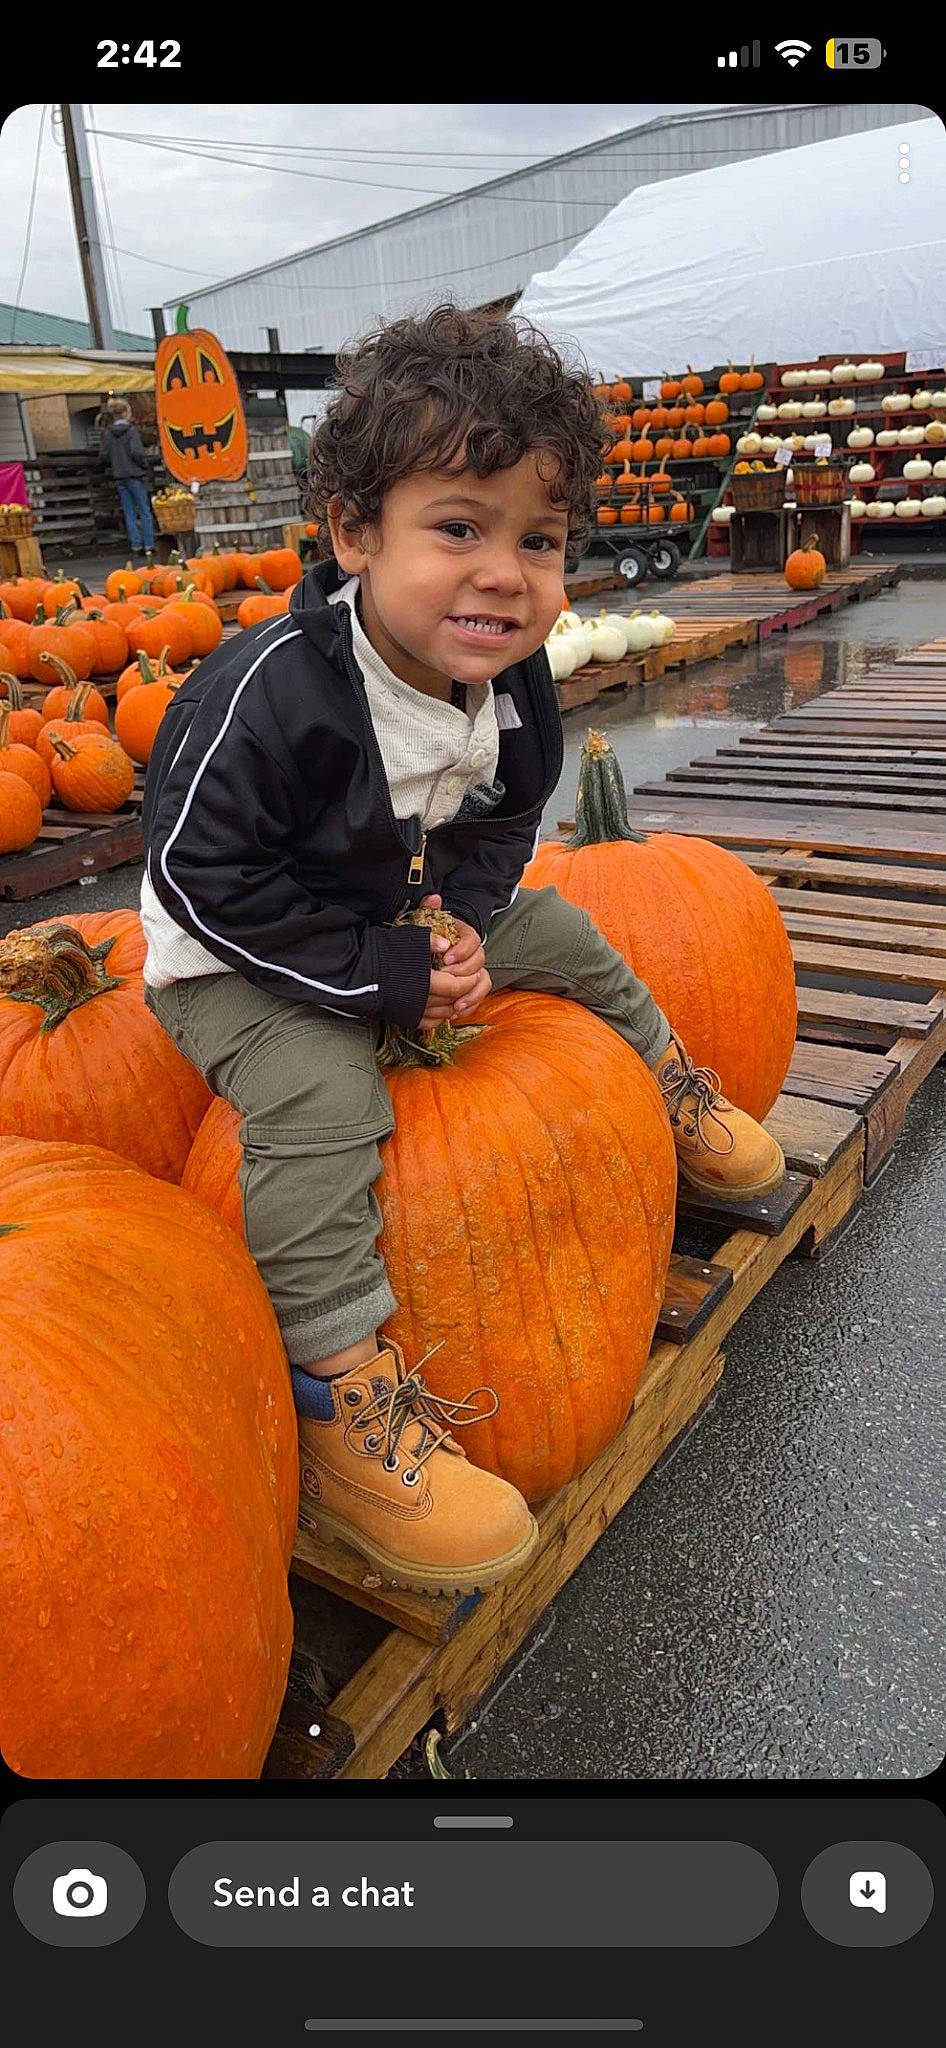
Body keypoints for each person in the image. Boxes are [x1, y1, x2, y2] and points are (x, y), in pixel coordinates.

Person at [140, 305, 785, 1598]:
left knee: (571, 932)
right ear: (352, 533)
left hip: (395, 916)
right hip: (240, 958)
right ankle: (341, 1397)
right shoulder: (272, 691)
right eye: (457, 529)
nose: (504, 573)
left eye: (536, 540)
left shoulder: (510, 672)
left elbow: (499, 820)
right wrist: (377, 973)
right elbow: (200, 878)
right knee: (323, 1095)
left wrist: (461, 917)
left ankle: (670, 1092)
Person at [102, 397, 155, 556]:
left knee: (129, 512)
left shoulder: (108, 433)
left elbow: (105, 455)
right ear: (125, 413)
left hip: (119, 476)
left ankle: (136, 545)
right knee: (144, 511)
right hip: (135, 474)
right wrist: (144, 465)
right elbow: (137, 452)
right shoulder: (131, 431)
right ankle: (149, 545)